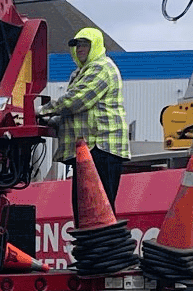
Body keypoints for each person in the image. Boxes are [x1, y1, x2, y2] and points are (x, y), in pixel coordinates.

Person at [41, 27, 128, 203]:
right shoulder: (82, 73)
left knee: (98, 208)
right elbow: (80, 114)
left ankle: (100, 232)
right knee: (87, 209)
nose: (79, 48)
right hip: (90, 148)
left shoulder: (101, 67)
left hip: (101, 148)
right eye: (77, 45)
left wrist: (41, 111)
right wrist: (52, 121)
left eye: (85, 45)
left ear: (96, 46)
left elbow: (78, 100)